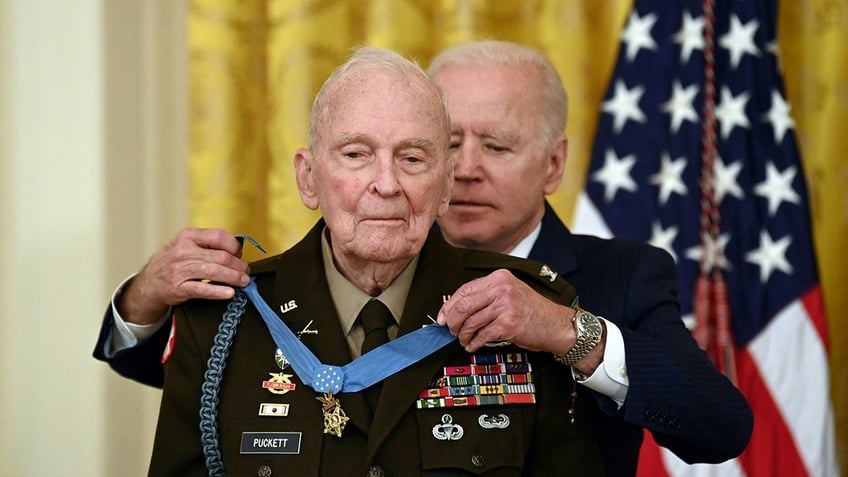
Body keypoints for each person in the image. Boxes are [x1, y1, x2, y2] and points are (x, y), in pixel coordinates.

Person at [93, 41, 753, 476]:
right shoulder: (277, 291)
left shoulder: (605, 282)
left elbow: (720, 425)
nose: (465, 170)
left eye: (494, 146)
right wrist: (143, 302)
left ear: (553, 164)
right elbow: (220, 385)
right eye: (449, 142)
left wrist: (564, 330)